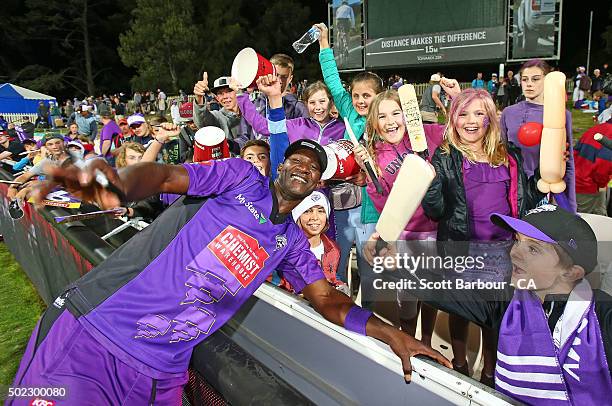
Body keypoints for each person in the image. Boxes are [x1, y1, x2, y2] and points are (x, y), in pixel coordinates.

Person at [9, 138, 450, 405]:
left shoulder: (290, 243)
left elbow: (327, 299)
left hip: (162, 371)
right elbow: (162, 177)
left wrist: (392, 335)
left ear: (318, 185)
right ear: (280, 166)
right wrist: (94, 182)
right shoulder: (239, 178)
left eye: (313, 168)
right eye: (296, 160)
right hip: (97, 331)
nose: (303, 167)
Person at [365, 204, 612, 405]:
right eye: (517, 240)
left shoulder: (604, 317)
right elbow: (442, 290)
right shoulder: (505, 303)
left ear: (571, 272)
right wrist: (394, 266)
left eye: (534, 249)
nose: (514, 252)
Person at [422, 87, 541, 386]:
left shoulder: (508, 155)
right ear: (453, 118)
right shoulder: (446, 156)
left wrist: (544, 177)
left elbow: (525, 200)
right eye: (463, 114)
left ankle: (490, 370)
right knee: (460, 309)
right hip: (461, 249)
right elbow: (435, 210)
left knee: (494, 313)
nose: (471, 120)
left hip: (502, 250)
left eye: (479, 113)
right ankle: (460, 364)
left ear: (490, 119)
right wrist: (430, 185)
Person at [352, 89, 444, 345]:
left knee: (431, 292)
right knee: (408, 295)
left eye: (396, 113)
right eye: (382, 116)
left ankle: (426, 341)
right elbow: (385, 205)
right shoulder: (377, 155)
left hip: (435, 231)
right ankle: (408, 339)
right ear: (374, 123)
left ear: (407, 115)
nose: (390, 121)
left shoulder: (424, 136)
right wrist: (370, 174)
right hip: (406, 236)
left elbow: (457, 130)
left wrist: (452, 100)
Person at [315, 22, 384, 289]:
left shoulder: (386, 125)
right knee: (339, 260)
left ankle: (369, 312)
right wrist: (324, 44)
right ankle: (341, 303)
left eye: (367, 95)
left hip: (371, 208)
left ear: (379, 97)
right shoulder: (349, 112)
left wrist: (366, 177)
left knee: (370, 269)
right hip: (344, 204)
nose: (360, 100)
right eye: (356, 95)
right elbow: (332, 79)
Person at [500, 59, 577, 212]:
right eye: (524, 79)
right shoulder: (508, 113)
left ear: (547, 81)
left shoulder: (561, 114)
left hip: (543, 190)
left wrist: (571, 207)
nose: (529, 84)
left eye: (535, 79)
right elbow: (500, 152)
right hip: (512, 188)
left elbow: (568, 164)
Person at [271, 191, 349, 295]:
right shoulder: (285, 246)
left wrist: (338, 285)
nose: (315, 217)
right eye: (307, 211)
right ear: (297, 215)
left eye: (321, 211)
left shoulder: (332, 248)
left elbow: (330, 276)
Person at [237, 80, 345, 147]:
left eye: (322, 101)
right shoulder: (297, 125)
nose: (317, 107)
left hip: (332, 184)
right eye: (312, 102)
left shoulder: (342, 128)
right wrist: (240, 95)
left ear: (330, 102)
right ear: (306, 104)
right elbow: (262, 127)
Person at [192, 75, 243, 154]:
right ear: (217, 98)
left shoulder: (251, 111)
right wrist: (199, 98)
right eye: (220, 93)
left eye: (229, 91)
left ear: (237, 91)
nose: (225, 96)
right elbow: (203, 121)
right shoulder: (218, 116)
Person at [573, 122, 612, 215]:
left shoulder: (598, 128)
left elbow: (575, 151)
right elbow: (602, 168)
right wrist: (601, 184)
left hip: (576, 179)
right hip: (588, 186)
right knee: (588, 220)